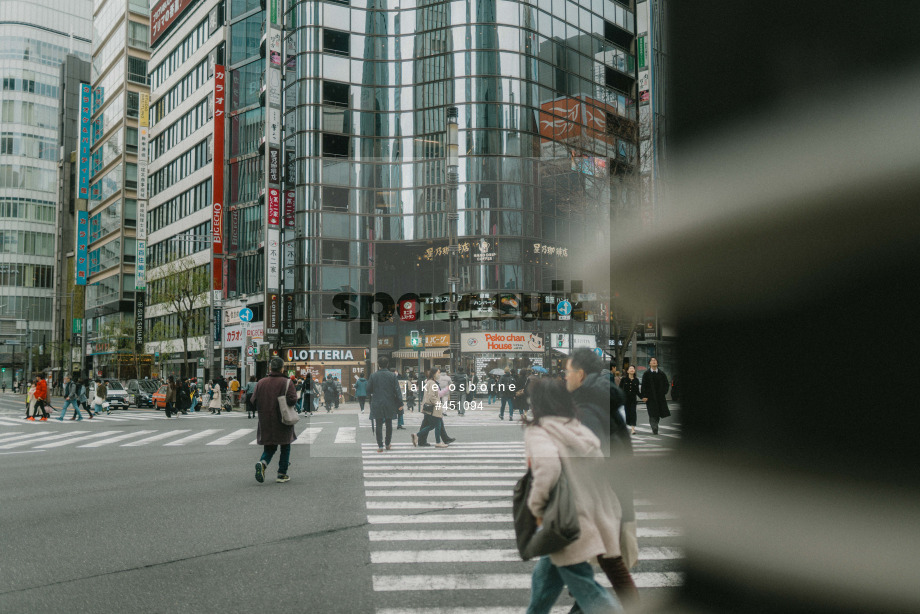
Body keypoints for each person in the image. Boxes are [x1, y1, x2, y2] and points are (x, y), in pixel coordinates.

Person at [523, 378, 623, 614]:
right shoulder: (577, 428)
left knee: (585, 587)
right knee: (545, 579)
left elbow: (547, 470)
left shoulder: (539, 431)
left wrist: (535, 507)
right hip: (587, 513)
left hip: (565, 520)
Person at [565, 348, 639, 610]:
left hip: (599, 499)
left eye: (568, 372)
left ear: (581, 374)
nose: (566, 377)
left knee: (589, 563)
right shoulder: (602, 398)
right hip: (611, 493)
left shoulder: (588, 406)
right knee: (605, 562)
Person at [252, 356, 298, 483]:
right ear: (282, 368)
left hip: (265, 419)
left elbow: (253, 400)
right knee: (285, 445)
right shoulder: (287, 382)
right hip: (282, 418)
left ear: (270, 368)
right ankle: (282, 473)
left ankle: (262, 463)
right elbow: (293, 399)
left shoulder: (261, 382)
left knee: (270, 447)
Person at [366, 357, 403, 452]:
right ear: (387, 364)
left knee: (378, 424)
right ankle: (387, 443)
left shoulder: (373, 376)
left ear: (378, 365)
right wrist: (400, 403)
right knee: (389, 423)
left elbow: (368, 390)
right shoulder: (392, 376)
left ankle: (380, 445)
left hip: (377, 402)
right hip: (389, 402)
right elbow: (397, 390)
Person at [412, 368, 450, 448]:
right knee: (437, 425)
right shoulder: (432, 383)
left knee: (434, 425)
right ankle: (437, 442)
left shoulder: (429, 382)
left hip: (431, 407)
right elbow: (432, 396)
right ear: (434, 374)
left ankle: (417, 435)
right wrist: (438, 404)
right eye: (438, 372)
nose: (439, 374)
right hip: (434, 407)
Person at [640, 358, 671, 435]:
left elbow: (666, 384)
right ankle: (654, 427)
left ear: (657, 363)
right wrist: (644, 396)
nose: (654, 361)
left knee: (658, 412)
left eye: (655, 361)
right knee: (652, 412)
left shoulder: (661, 373)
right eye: (652, 361)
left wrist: (664, 392)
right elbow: (643, 386)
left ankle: (655, 425)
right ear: (649, 364)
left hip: (660, 397)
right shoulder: (646, 374)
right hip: (650, 397)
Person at [619, 366, 640, 435]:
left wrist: (642, 397)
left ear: (634, 371)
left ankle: (633, 429)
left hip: (633, 400)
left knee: (633, 413)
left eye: (633, 368)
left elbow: (637, 391)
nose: (632, 369)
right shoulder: (624, 379)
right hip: (625, 400)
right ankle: (625, 427)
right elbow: (620, 389)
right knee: (626, 414)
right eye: (630, 368)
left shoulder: (636, 380)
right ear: (627, 371)